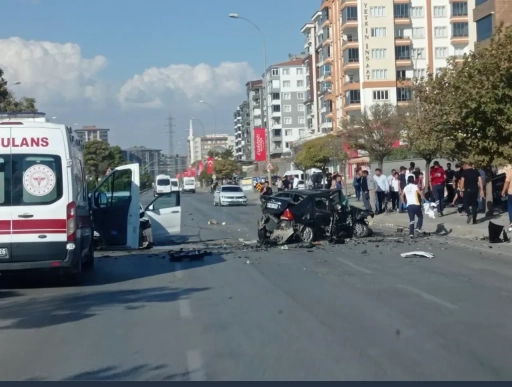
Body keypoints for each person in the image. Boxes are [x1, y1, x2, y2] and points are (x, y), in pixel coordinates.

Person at [501, 166, 512, 232]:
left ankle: (511, 223)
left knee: (511, 208)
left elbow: (507, 181)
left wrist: (503, 190)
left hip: (511, 192)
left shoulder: (510, 171)